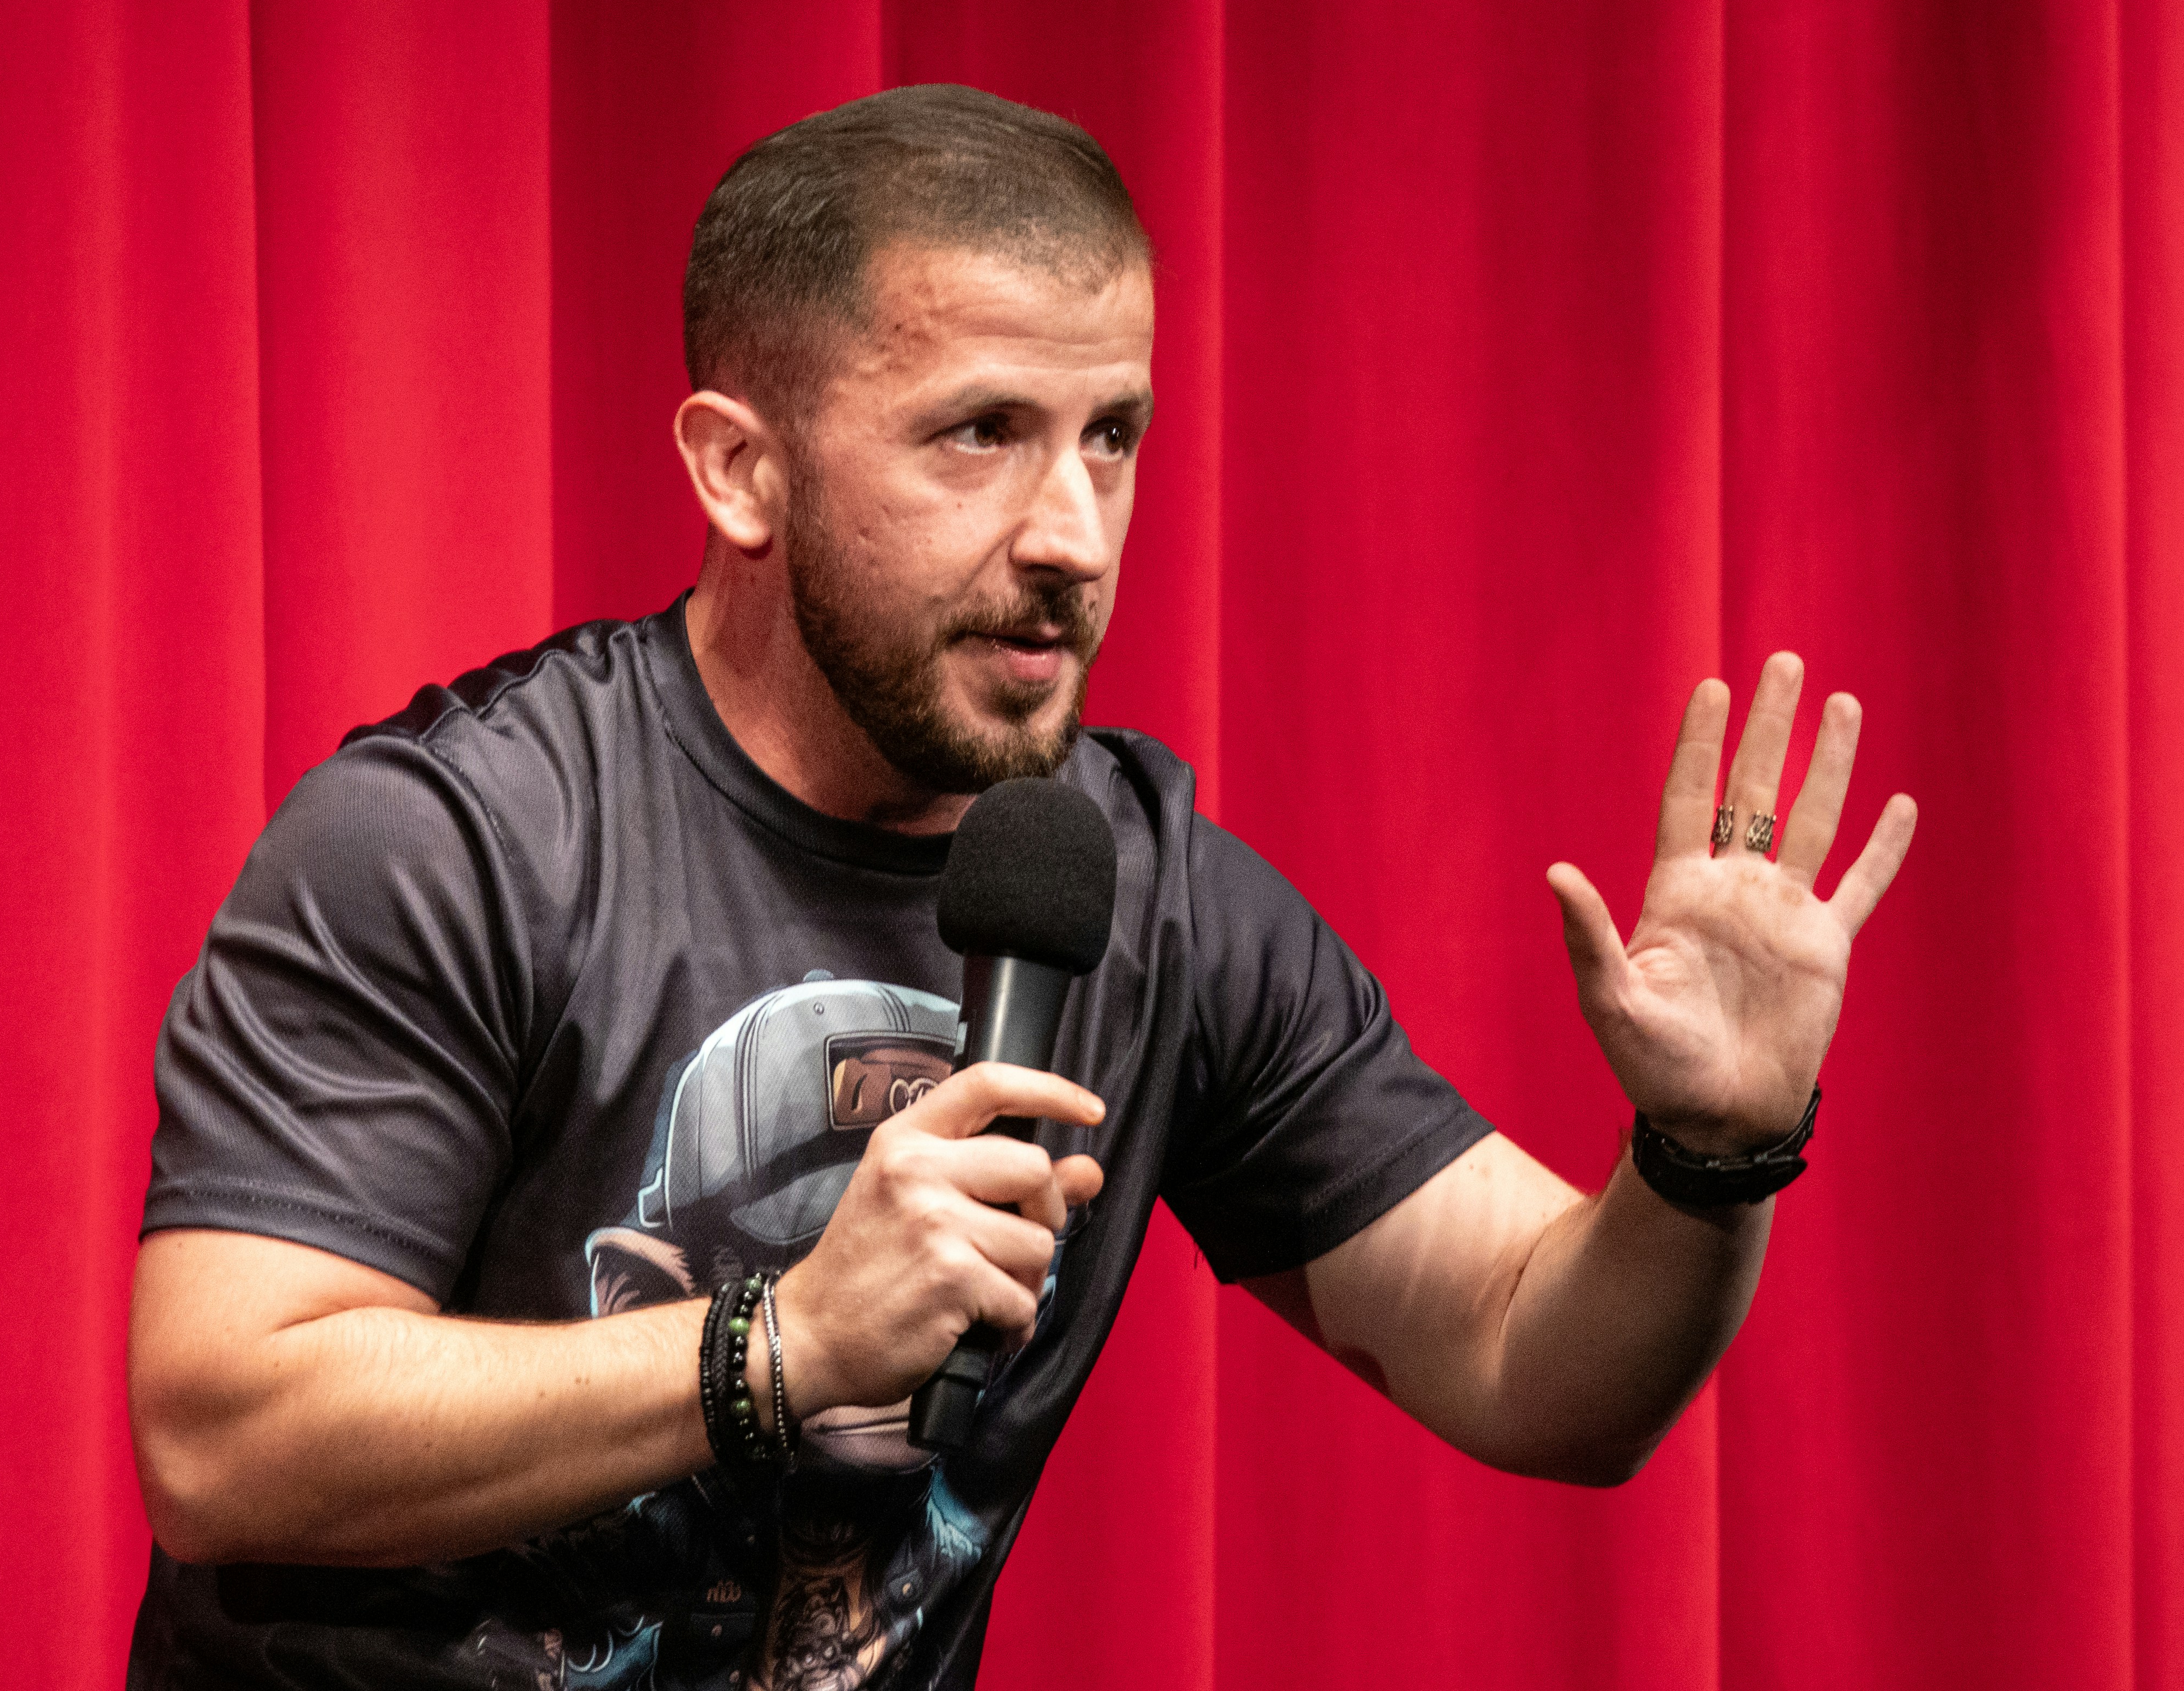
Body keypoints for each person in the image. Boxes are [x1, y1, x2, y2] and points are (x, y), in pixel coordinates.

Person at [123, 84, 1918, 1691]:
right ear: (739, 470)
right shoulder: (466, 838)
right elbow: (222, 1436)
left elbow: (1542, 1370)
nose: (1070, 534)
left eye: (1110, 434)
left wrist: (1705, 1157)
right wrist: (784, 1346)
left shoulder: (1145, 899)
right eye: (978, 433)